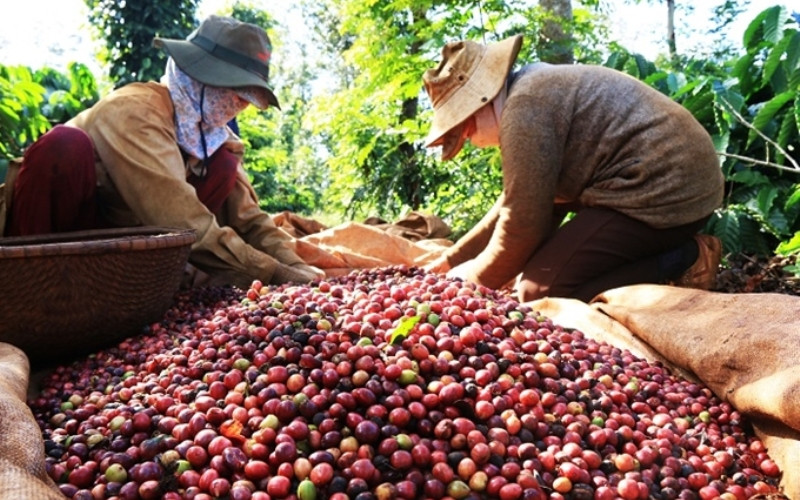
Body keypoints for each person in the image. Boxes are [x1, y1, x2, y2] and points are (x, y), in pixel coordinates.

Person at [0, 15, 323, 288]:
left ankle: (133, 286)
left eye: (248, 98)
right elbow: (178, 217)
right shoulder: (135, 110)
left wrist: (295, 266)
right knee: (65, 146)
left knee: (225, 163)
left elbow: (249, 219)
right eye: (238, 92)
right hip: (56, 237)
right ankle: (27, 287)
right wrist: (270, 273)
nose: (242, 106)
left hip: (118, 256)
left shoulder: (213, 140)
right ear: (200, 78)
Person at [422, 35, 724, 303]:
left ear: (481, 101)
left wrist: (468, 286)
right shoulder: (527, 93)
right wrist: (451, 261)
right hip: (655, 182)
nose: (470, 140)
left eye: (465, 129)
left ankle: (684, 259)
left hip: (664, 190)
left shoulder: (525, 109)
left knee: (541, 292)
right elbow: (515, 203)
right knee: (530, 272)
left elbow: (521, 228)